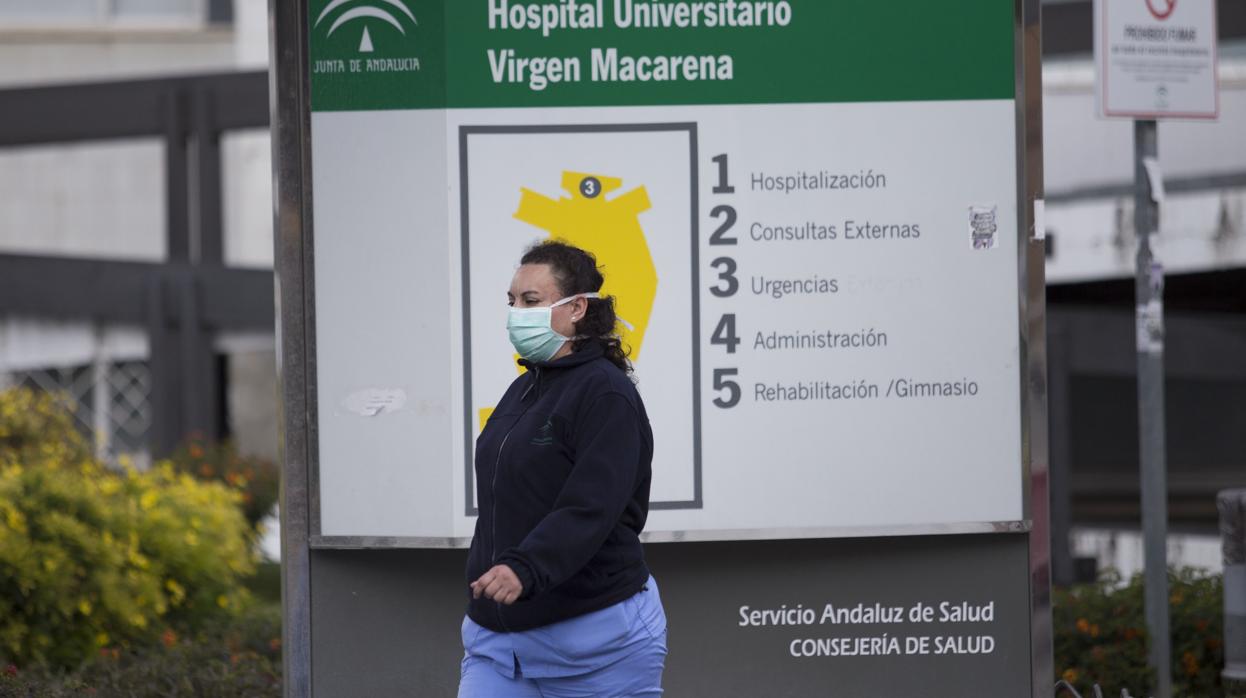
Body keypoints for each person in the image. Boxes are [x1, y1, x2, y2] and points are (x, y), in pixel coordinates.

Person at [458, 240, 666, 697]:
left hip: (597, 647)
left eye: (531, 301)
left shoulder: (605, 395)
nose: (516, 312)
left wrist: (525, 568)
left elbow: (591, 507)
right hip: (499, 647)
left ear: (575, 309)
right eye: (512, 301)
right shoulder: (523, 389)